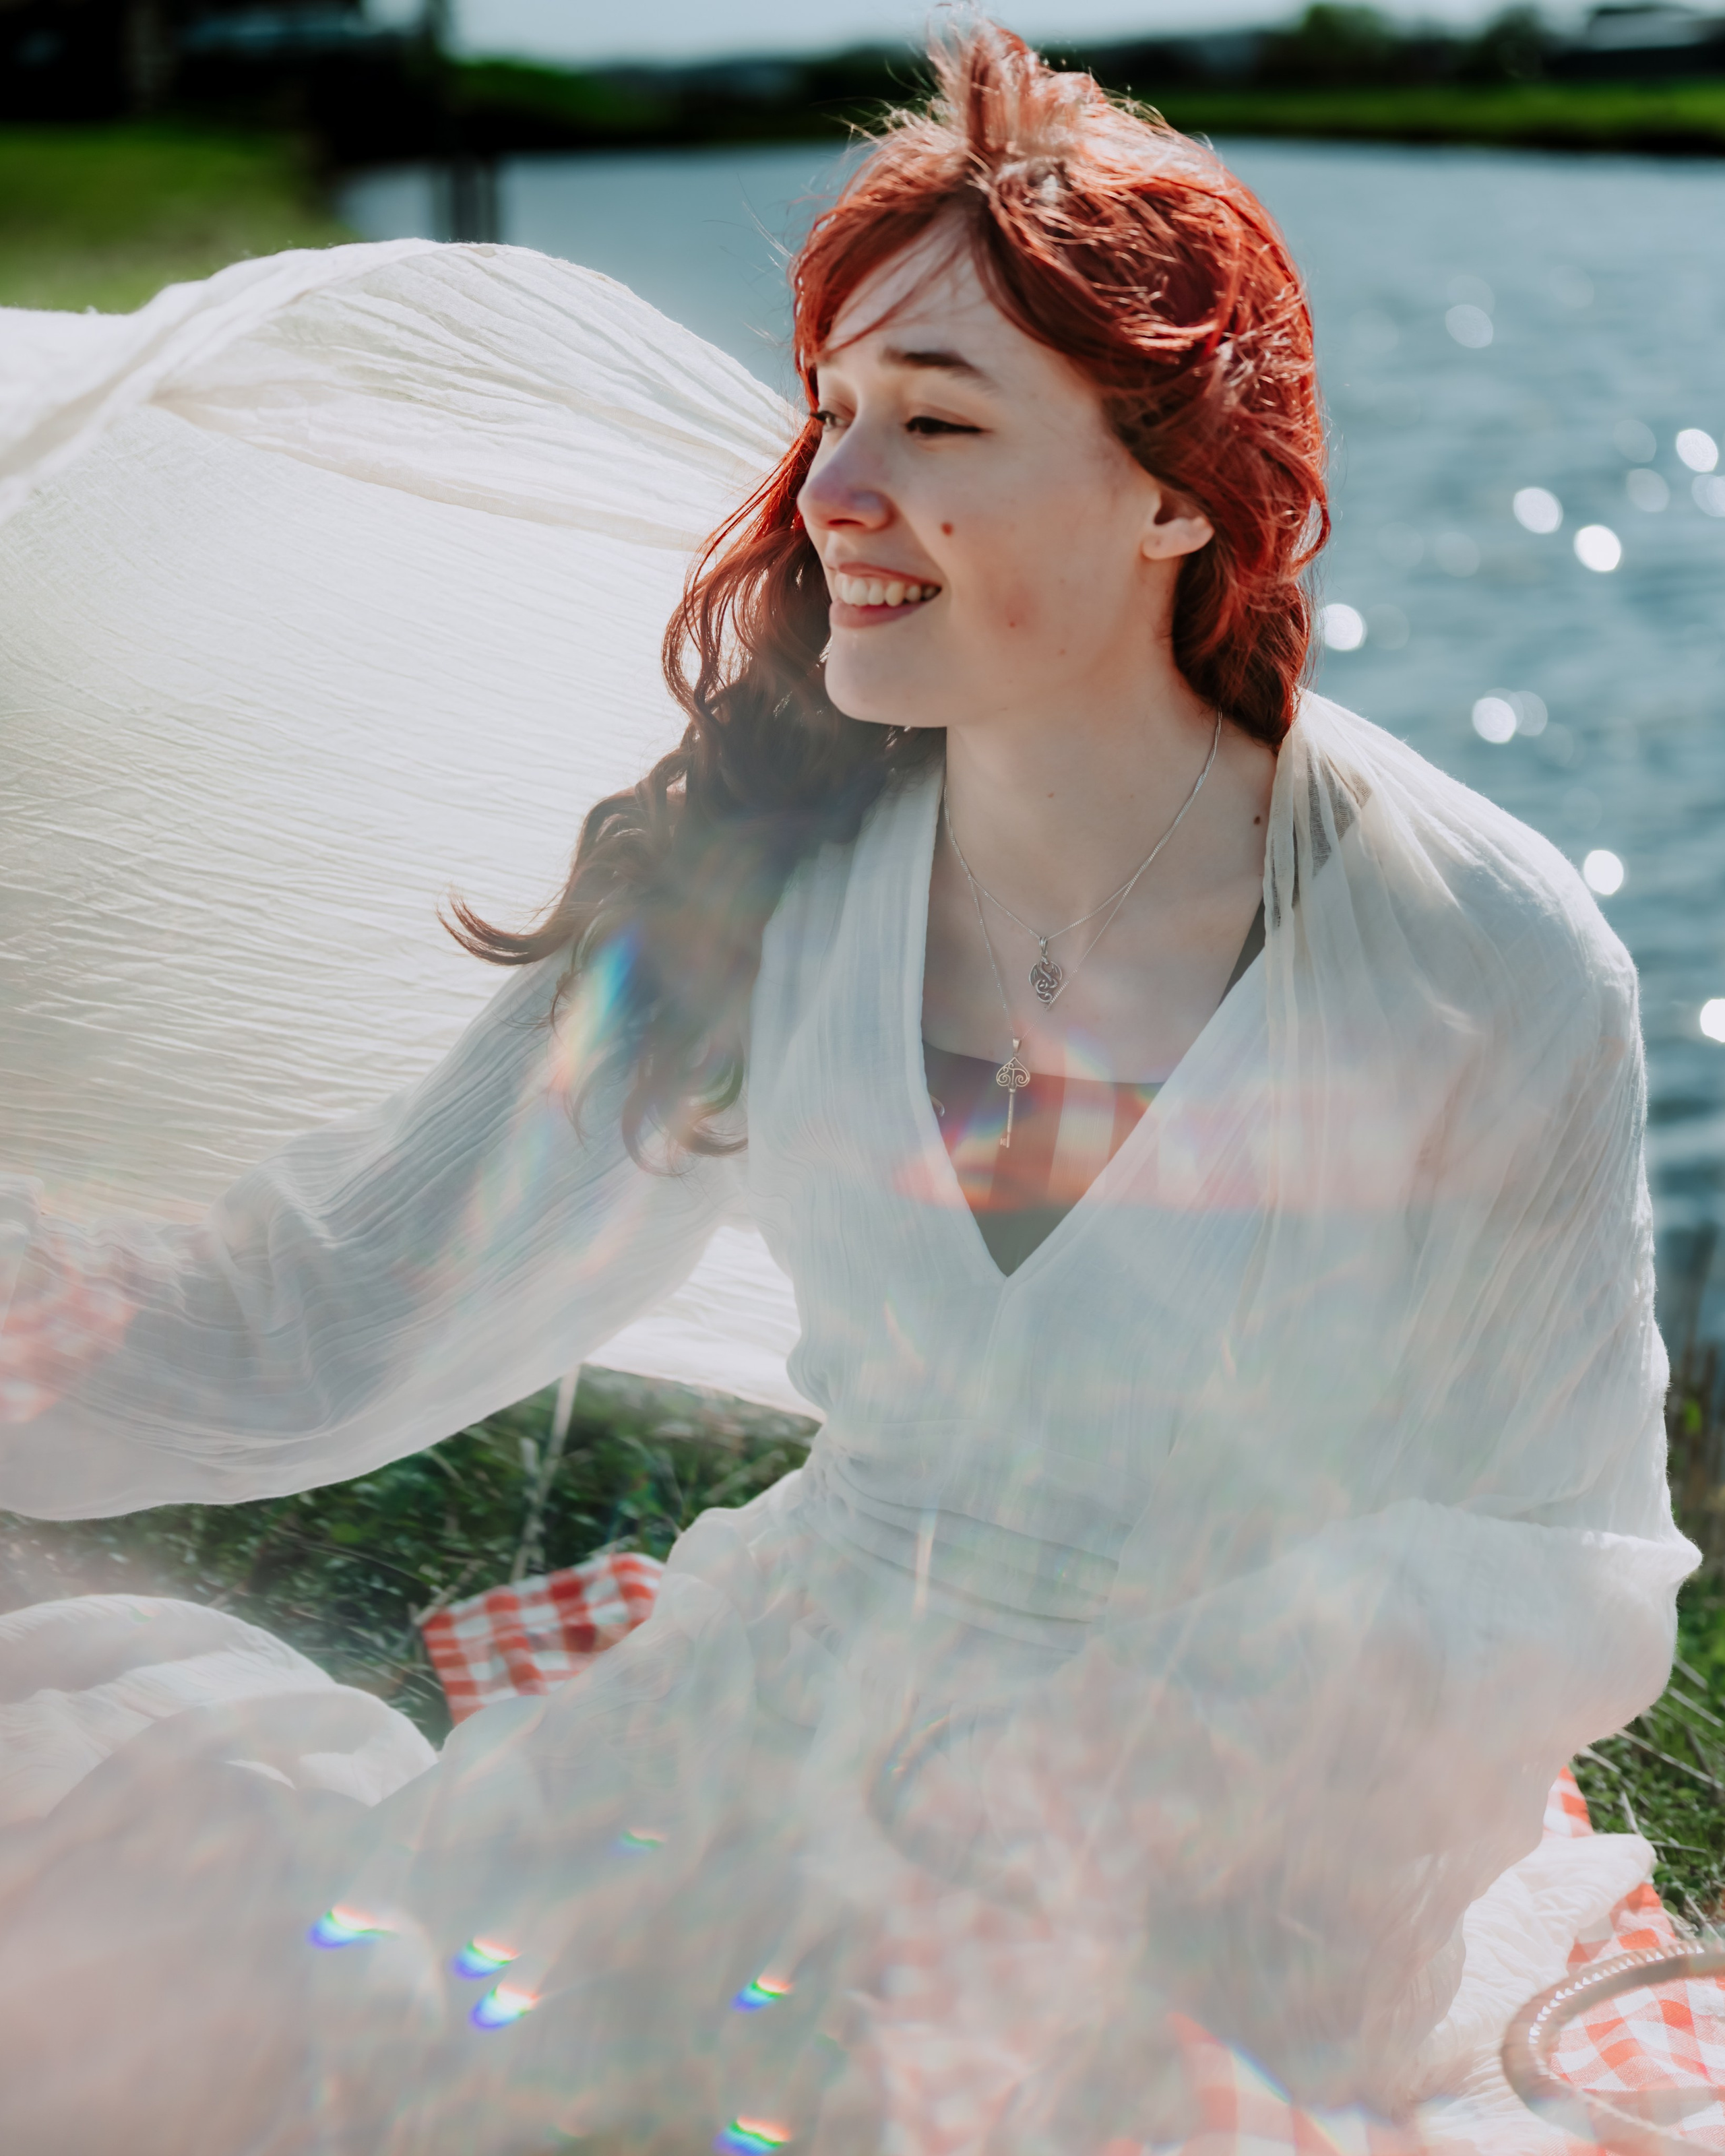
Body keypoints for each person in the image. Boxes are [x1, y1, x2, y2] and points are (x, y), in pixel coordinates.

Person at [0, 22, 1693, 2155]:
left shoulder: (1480, 952)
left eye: (941, 420)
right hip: (769, 1741)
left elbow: (1564, 1558)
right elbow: (340, 1290)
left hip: (1223, 1837)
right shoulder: (763, 863)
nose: (834, 493)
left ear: (1177, 486)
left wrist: (1159, 1740)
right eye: (832, 412)